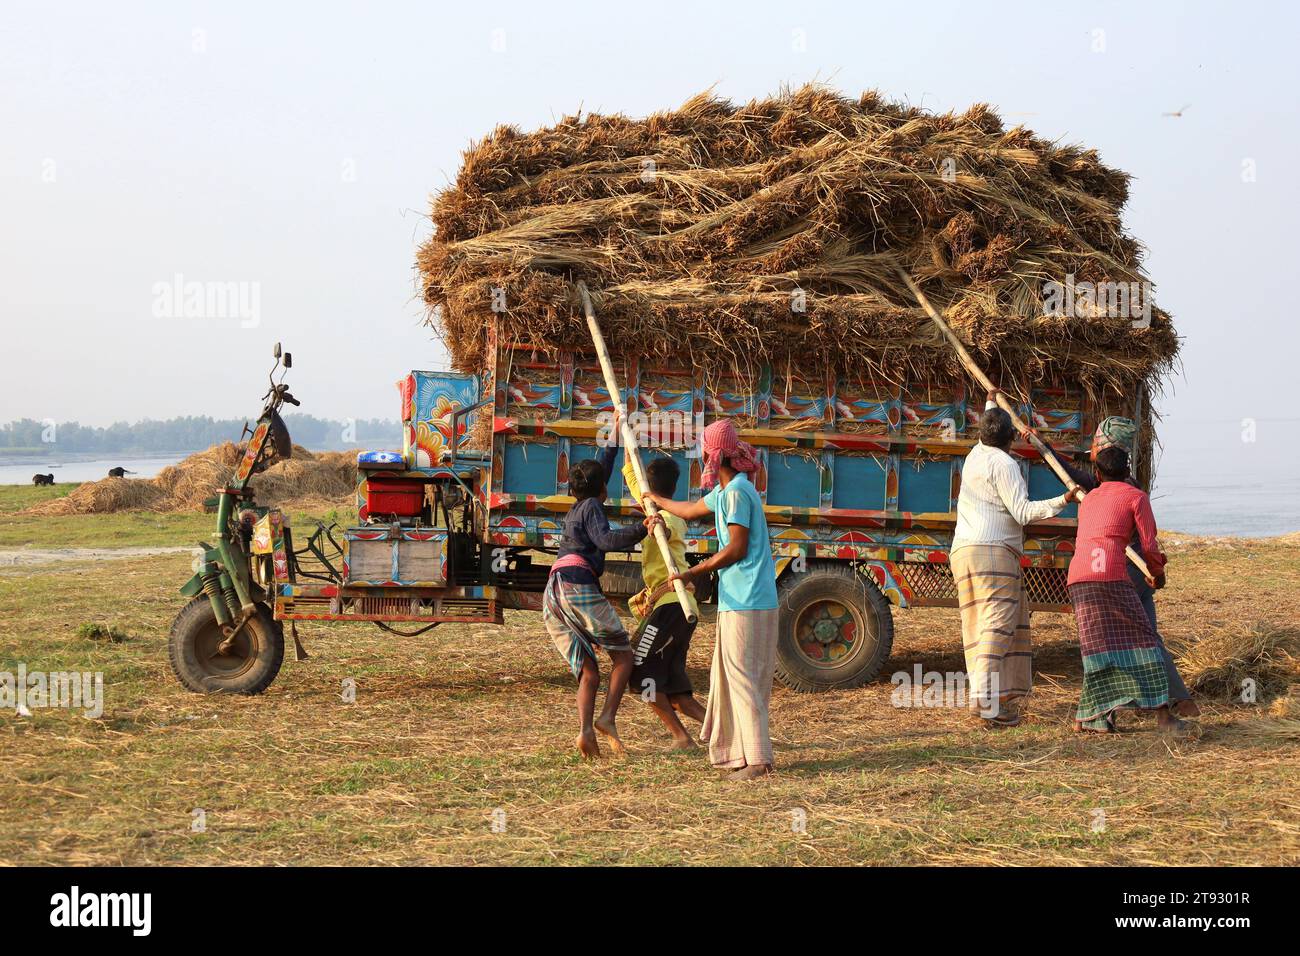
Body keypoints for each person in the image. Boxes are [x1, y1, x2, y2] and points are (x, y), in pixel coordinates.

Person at [1026, 415, 1198, 720]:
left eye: (1095, 443)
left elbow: (1072, 474)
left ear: (1104, 452)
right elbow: (1073, 472)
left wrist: (1044, 448)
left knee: (1114, 641)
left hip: (1122, 572)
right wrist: (1043, 446)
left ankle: (1144, 708)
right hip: (1133, 572)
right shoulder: (1126, 486)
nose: (1091, 447)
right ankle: (1177, 701)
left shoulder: (1107, 488)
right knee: (1145, 636)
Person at [641, 419, 779, 781]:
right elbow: (689, 510)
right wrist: (655, 500)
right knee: (734, 678)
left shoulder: (736, 493)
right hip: (743, 599)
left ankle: (758, 761)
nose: (702, 455)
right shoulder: (729, 490)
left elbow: (736, 548)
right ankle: (740, 754)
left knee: (744, 679)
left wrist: (693, 573)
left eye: (704, 449)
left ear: (713, 454)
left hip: (747, 599)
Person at [951, 391, 1072, 728]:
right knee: (1000, 623)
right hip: (993, 551)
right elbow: (1022, 511)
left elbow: (988, 422)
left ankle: (1000, 700)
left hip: (964, 551)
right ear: (1012, 439)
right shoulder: (1005, 464)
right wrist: (1063, 499)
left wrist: (991, 402)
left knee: (985, 622)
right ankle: (982, 697)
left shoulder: (976, 453)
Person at [543, 423, 660, 759]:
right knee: (624, 656)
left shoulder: (579, 506)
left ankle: (585, 733)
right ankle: (607, 718)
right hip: (578, 586)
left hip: (554, 591)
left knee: (589, 672)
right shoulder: (593, 508)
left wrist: (615, 436)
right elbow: (606, 541)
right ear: (601, 489)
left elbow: (601, 470)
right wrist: (643, 527)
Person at [1064, 444, 1186, 734]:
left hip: (1079, 576)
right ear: (1128, 471)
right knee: (1144, 641)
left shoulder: (1090, 498)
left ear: (1097, 473)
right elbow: (1149, 545)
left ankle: (1088, 719)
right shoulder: (1136, 497)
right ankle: (1164, 718)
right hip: (1111, 575)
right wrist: (1157, 574)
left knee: (1096, 648)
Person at [626, 456, 706, 750]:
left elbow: (666, 531)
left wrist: (659, 525)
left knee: (637, 670)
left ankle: (681, 737)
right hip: (677, 606)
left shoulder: (668, 518)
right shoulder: (653, 507)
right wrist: (623, 425)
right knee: (676, 691)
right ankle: (725, 731)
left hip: (671, 606)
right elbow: (633, 477)